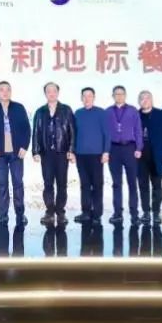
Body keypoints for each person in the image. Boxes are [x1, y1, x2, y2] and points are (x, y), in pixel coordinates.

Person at [0, 81, 31, 226]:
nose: (5, 92)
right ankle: (2, 214)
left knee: (18, 183)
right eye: (2, 90)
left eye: (8, 90)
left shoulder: (19, 108)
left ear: (11, 92)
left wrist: (24, 146)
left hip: (16, 152)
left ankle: (20, 214)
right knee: (2, 183)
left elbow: (26, 129)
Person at [32, 82, 75, 225]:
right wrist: (35, 151)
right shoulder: (40, 111)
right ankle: (49, 211)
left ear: (58, 92)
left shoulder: (66, 110)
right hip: (46, 154)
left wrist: (71, 150)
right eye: (48, 91)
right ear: (45, 94)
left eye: (54, 90)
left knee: (62, 184)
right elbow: (36, 132)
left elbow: (72, 131)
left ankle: (61, 212)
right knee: (48, 183)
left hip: (62, 152)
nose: (51, 93)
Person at [106, 85, 143, 225]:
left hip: (130, 148)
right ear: (113, 96)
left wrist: (139, 147)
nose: (119, 96)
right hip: (114, 149)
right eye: (116, 94)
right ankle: (117, 213)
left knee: (132, 182)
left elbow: (138, 130)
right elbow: (105, 133)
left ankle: (134, 214)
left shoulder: (133, 110)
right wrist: (105, 150)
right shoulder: (108, 112)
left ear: (125, 95)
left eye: (121, 94)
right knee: (116, 183)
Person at [73, 87, 110, 225]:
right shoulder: (78, 113)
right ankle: (86, 212)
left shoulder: (101, 113)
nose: (87, 98)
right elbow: (73, 134)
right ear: (81, 98)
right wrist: (73, 152)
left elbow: (107, 133)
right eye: (84, 96)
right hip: (81, 154)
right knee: (85, 185)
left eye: (89, 96)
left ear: (94, 97)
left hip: (96, 155)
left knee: (97, 185)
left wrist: (106, 151)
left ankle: (97, 213)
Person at [137, 90, 162, 225]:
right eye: (142, 98)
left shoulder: (161, 114)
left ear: (152, 100)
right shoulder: (135, 115)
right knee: (143, 185)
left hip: (157, 156)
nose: (145, 101)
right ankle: (146, 212)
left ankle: (156, 213)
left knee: (157, 186)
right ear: (139, 101)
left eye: (147, 98)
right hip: (140, 157)